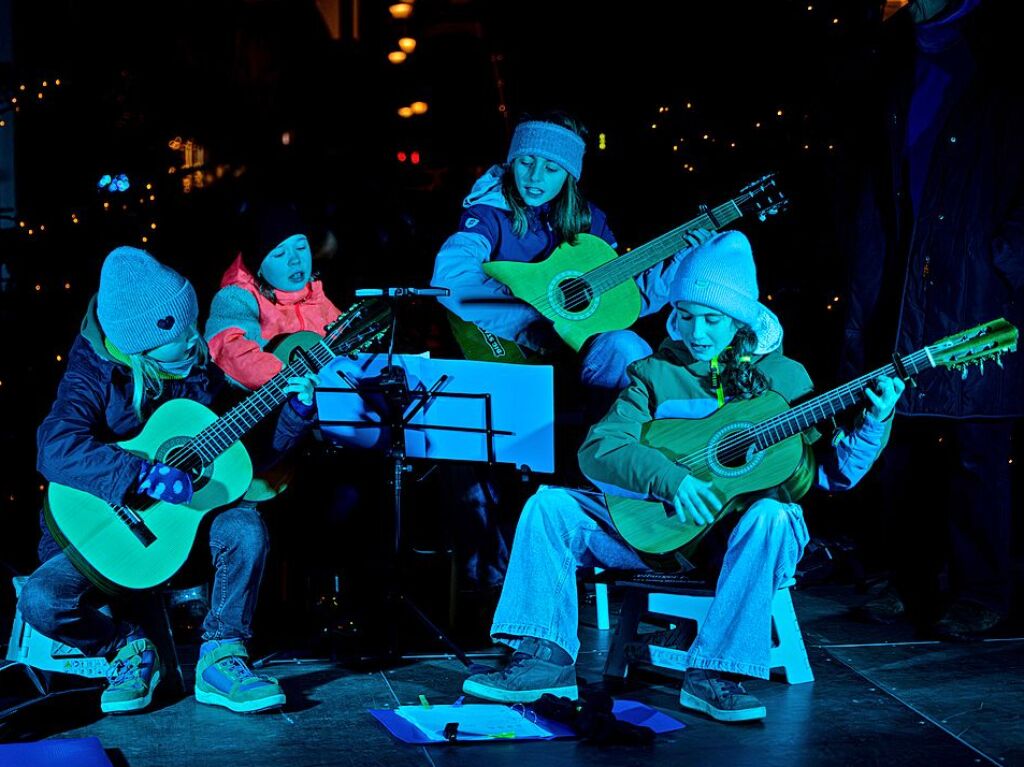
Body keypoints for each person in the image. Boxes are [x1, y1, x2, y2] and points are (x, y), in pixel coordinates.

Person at [461, 232, 906, 722]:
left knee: (775, 517)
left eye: (713, 319)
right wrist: (671, 480)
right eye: (686, 316)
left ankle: (714, 675)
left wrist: (873, 423)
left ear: (740, 320)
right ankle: (543, 662)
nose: (697, 333)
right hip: (656, 533)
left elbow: (831, 477)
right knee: (551, 507)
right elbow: (599, 449)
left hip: (733, 545)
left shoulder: (786, 379)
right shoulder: (653, 372)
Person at [17, 246, 319, 715]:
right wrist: (143, 474)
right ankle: (130, 650)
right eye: (174, 336)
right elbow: (54, 447)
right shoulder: (92, 373)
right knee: (41, 599)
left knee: (243, 526)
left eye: (190, 327)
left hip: (183, 538)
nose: (191, 341)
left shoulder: (196, 369)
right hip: (109, 536)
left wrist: (296, 414)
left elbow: (245, 462)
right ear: (139, 342)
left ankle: (222, 657)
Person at [431, 111, 708, 590]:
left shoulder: (590, 224)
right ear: (511, 161)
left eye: (552, 168)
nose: (536, 177)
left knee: (626, 345)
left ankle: (637, 498)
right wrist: (534, 322)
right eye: (527, 162)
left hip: (577, 374)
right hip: (514, 369)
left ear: (571, 176)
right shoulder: (486, 216)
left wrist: (683, 258)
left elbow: (628, 301)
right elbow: (451, 285)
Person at [840, 0, 1023, 639]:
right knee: (896, 432)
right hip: (898, 262)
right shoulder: (890, 51)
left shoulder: (1003, 46)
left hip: (977, 274)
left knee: (977, 442)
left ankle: (980, 589)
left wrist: (1004, 258)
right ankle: (899, 576)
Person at [205, 200, 343, 390]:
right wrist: (291, 376)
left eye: (301, 247)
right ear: (259, 267)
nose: (295, 260)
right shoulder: (237, 298)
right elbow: (227, 348)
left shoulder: (315, 295)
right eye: (279, 254)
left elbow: (345, 342)